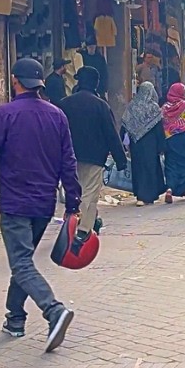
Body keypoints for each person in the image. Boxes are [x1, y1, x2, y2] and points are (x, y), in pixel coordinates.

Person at [0, 58, 79, 352]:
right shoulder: (57, 115)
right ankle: (15, 318)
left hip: (15, 203)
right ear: (39, 83)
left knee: (22, 263)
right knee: (23, 262)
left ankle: (54, 310)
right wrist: (73, 202)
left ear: (15, 80)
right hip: (44, 204)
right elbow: (68, 162)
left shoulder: (5, 114)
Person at [58, 66, 126, 240]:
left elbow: (55, 132)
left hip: (69, 157)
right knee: (89, 194)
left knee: (74, 190)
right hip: (94, 158)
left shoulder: (65, 104)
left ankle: (74, 222)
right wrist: (121, 159)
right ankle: (83, 229)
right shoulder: (101, 105)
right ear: (96, 83)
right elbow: (111, 134)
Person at [121, 82, 167, 206]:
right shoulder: (153, 108)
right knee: (150, 168)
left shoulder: (132, 106)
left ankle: (140, 195)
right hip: (151, 145)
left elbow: (124, 125)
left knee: (138, 168)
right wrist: (162, 146)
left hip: (136, 145)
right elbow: (159, 129)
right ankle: (149, 195)